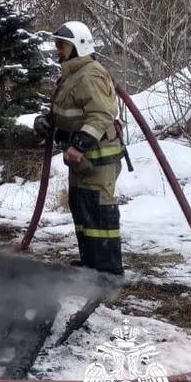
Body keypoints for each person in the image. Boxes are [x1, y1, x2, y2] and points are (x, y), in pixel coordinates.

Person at [33, 21, 125, 277]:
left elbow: (101, 114)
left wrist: (80, 144)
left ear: (78, 46)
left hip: (97, 157)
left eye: (62, 45)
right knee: (83, 209)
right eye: (57, 44)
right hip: (81, 158)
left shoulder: (90, 74)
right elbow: (69, 110)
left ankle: (108, 271)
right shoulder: (72, 74)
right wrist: (46, 121)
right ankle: (91, 266)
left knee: (99, 211)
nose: (57, 49)